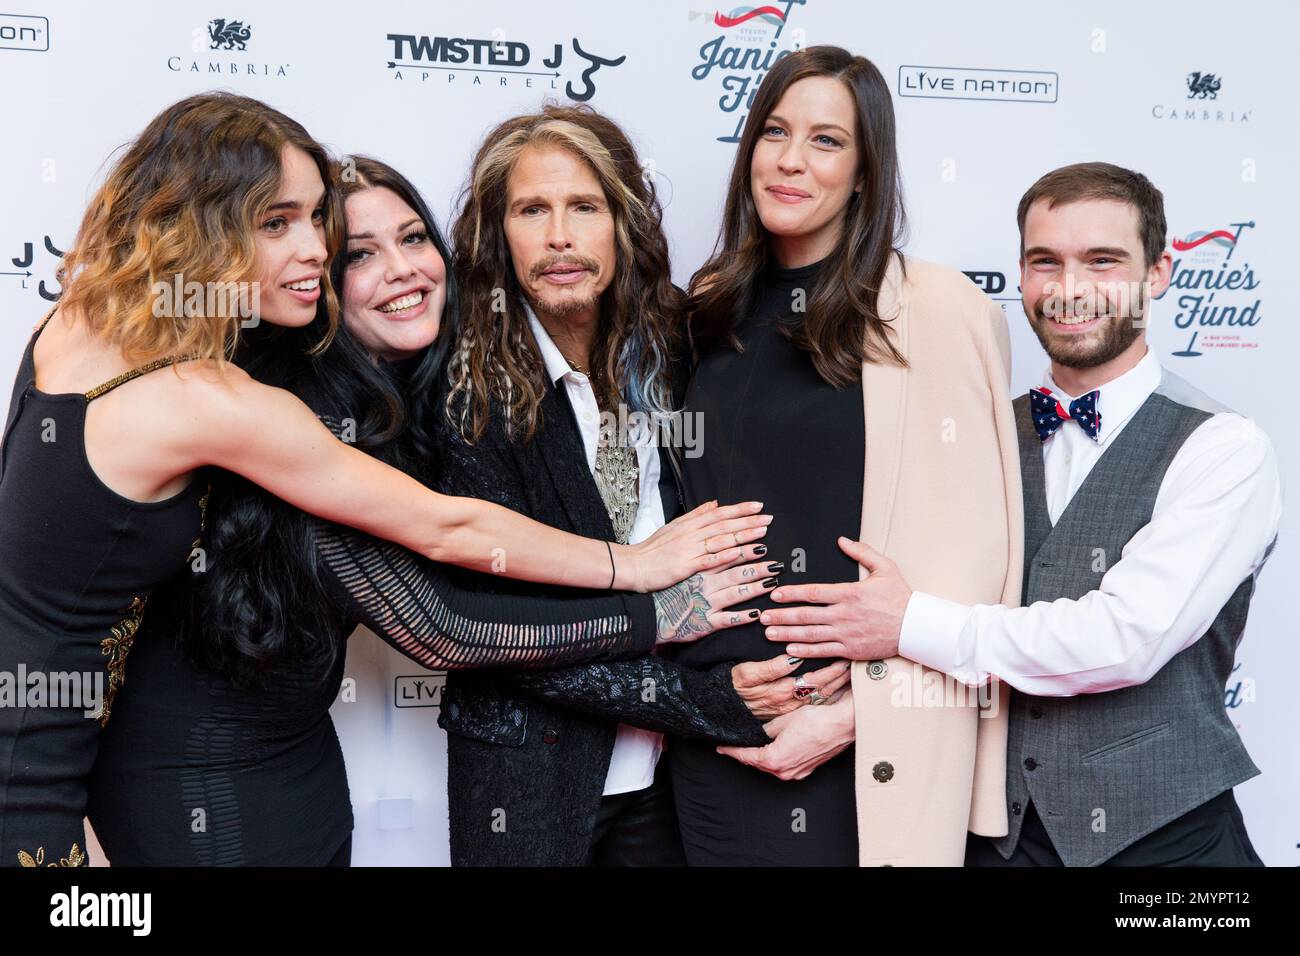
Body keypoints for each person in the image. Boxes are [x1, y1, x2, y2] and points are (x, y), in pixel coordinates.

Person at [0, 92, 765, 868]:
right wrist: (643, 581)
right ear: (203, 223)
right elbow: (444, 570)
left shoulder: (80, 323)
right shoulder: (221, 403)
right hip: (100, 773)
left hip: (246, 752)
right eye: (278, 223)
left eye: (314, 222)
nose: (309, 249)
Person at [754, 162, 1281, 867]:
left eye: (1102, 262)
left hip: (1169, 841)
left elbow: (1123, 638)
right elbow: (951, 626)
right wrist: (855, 712)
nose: (1068, 290)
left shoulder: (1223, 448)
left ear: (1156, 273)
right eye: (1044, 262)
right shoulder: (982, 433)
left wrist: (907, 621)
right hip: (996, 837)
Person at [432, 105, 846, 866]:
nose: (560, 235)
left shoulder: (675, 348)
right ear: (499, 234)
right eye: (533, 210)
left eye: (584, 207)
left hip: (683, 783)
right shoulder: (464, 389)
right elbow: (494, 625)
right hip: (532, 780)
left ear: (623, 224)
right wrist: (703, 703)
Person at [670, 46, 1023, 867]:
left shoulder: (933, 308)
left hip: (865, 745)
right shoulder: (704, 308)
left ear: (866, 172)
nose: (791, 160)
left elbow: (978, 567)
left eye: (827, 140)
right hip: (719, 736)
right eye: (775, 133)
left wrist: (858, 714)